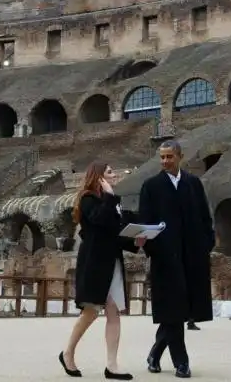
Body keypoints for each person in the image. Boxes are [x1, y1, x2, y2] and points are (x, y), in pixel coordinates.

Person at [59, 161, 144, 380]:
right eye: (109, 172)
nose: (113, 175)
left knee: (114, 312)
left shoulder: (110, 202)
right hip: (94, 263)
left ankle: (112, 365)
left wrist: (137, 243)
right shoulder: (88, 199)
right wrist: (109, 196)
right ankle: (67, 353)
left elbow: (114, 233)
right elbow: (98, 221)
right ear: (98, 177)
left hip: (112, 261)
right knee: (91, 312)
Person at [138, 140, 215, 379]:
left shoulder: (193, 184)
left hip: (192, 257)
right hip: (165, 258)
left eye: (169, 157)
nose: (165, 161)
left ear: (179, 156)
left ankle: (154, 353)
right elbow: (145, 222)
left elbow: (205, 217)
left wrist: (206, 244)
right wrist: (153, 248)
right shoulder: (151, 186)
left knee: (179, 310)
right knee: (173, 309)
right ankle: (181, 362)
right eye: (162, 157)